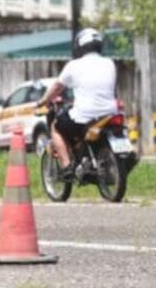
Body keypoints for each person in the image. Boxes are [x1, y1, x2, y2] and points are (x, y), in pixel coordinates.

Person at [36, 28, 118, 180]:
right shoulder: (110, 63)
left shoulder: (74, 65)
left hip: (85, 116)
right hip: (110, 113)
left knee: (56, 126)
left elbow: (57, 87)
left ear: (80, 46)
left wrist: (43, 101)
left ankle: (67, 166)